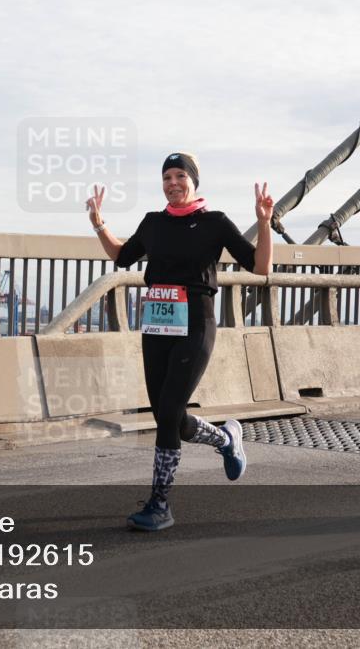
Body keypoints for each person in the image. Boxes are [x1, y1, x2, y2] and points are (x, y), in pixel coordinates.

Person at [87, 152, 274, 531]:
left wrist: (264, 223)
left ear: (194, 181)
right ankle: (224, 438)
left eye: (180, 176)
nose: (173, 183)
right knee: (165, 414)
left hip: (195, 324)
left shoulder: (215, 223)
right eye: (167, 177)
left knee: (171, 408)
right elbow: (123, 256)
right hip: (157, 327)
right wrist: (98, 224)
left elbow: (260, 266)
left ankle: (160, 503)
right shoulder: (153, 223)